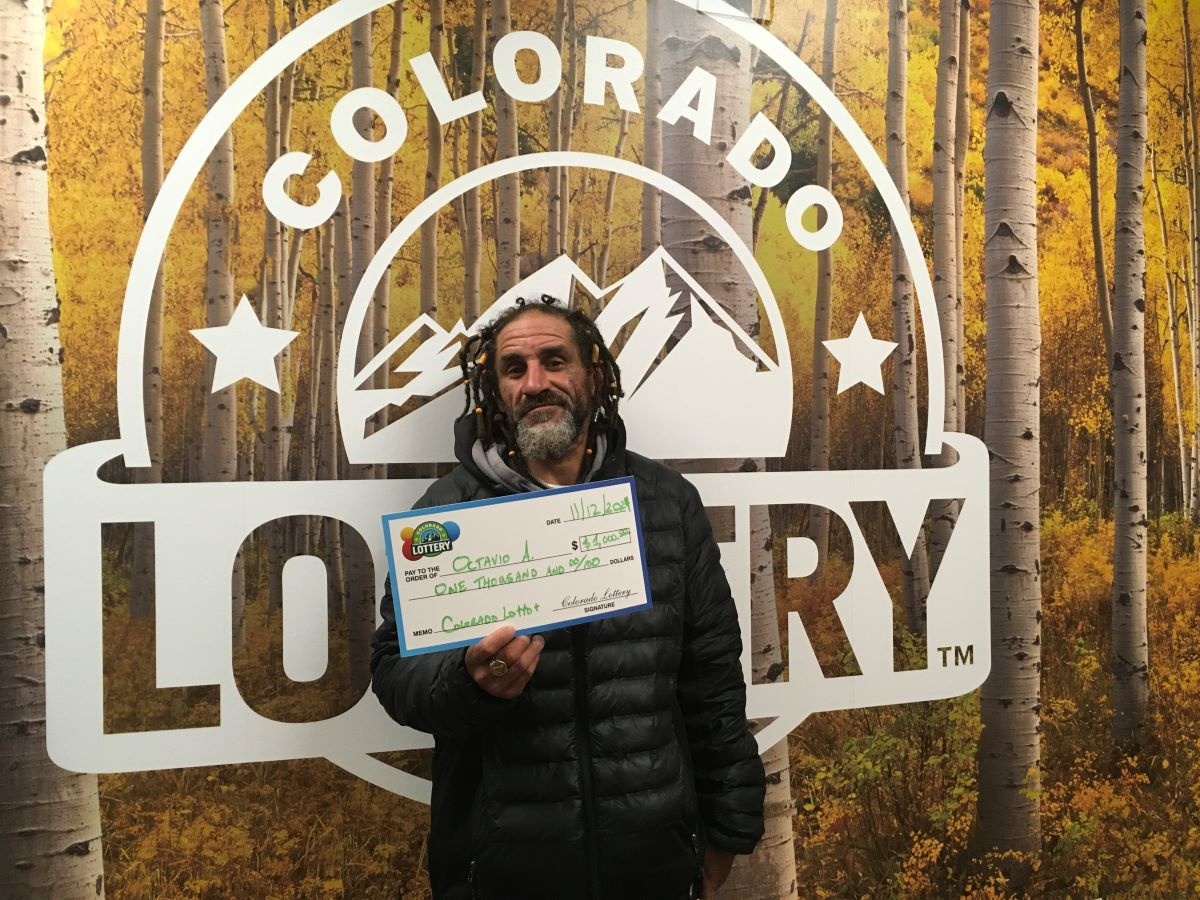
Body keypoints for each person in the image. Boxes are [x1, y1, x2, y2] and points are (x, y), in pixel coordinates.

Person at [371, 295, 765, 899]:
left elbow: (712, 681)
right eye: (514, 368)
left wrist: (727, 833)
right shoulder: (444, 516)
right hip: (502, 874)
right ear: (495, 392)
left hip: (653, 866)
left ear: (593, 376)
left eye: (554, 361)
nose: (535, 383)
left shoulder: (665, 503)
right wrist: (469, 685)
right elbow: (396, 676)